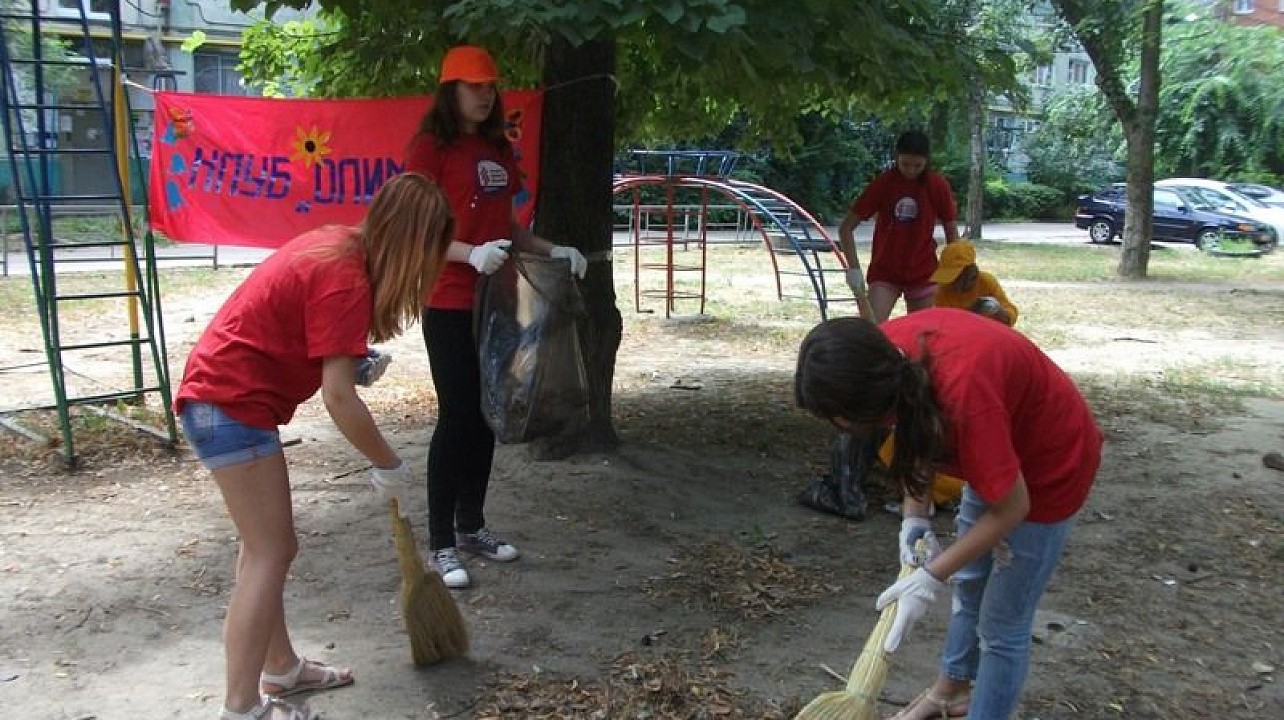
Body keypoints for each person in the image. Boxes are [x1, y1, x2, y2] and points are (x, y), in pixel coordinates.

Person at [175, 173, 455, 720]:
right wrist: (388, 463)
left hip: (222, 401)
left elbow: (307, 334)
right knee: (270, 552)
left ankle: (280, 669)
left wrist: (355, 357)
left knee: (264, 549)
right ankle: (240, 707)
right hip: (229, 404)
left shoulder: (341, 246)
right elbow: (339, 398)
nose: (431, 266)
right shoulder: (346, 277)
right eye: (431, 250)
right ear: (412, 243)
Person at [794, 310, 1103, 720]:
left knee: (1001, 626)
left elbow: (1013, 506)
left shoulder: (965, 399)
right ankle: (950, 692)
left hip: (1051, 462)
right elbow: (916, 428)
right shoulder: (879, 358)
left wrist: (930, 575)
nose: (840, 429)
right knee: (970, 583)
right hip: (996, 447)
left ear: (871, 403)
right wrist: (915, 520)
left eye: (843, 420)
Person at [405, 44, 587, 589]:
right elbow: (417, 231)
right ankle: (441, 543)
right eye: (473, 86)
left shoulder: (496, 148)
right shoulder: (429, 148)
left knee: (488, 413)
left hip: (498, 299)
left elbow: (509, 227)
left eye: (489, 86)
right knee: (457, 415)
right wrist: (468, 255)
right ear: (450, 90)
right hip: (448, 299)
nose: (484, 95)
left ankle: (471, 526)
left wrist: (555, 251)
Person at [838, 131, 960, 323]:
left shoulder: (936, 185)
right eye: (905, 164)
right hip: (885, 271)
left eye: (917, 166)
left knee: (923, 333)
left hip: (923, 272)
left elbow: (951, 230)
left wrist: (955, 267)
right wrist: (853, 270)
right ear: (896, 158)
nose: (911, 171)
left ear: (927, 161)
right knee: (870, 329)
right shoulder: (884, 183)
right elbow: (846, 228)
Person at [931, 240, 1019, 326]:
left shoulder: (986, 282)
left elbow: (1010, 315)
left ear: (971, 272)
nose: (951, 283)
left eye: (955, 278)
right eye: (948, 277)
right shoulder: (943, 290)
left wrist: (997, 310)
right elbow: (943, 322)